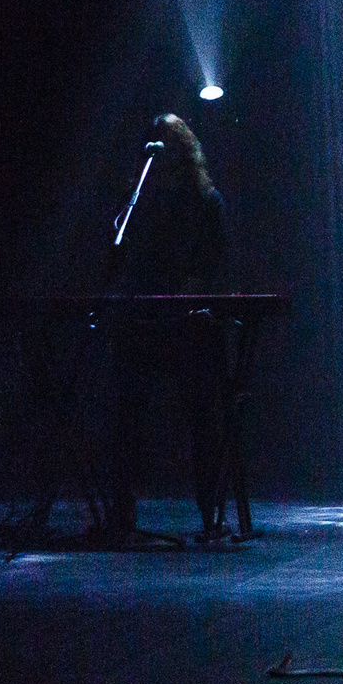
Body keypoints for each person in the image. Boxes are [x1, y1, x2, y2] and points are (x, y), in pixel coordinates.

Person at [100, 113, 230, 543]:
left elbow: (213, 269)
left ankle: (211, 514)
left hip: (188, 327)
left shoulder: (206, 202)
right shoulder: (142, 204)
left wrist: (193, 301)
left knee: (202, 419)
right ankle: (120, 513)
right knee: (124, 414)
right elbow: (127, 258)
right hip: (146, 322)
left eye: (167, 142)